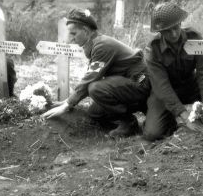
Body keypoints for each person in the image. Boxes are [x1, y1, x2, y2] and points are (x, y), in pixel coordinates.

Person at [42, 8, 151, 138]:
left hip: (140, 83)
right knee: (95, 113)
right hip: (126, 83)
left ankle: (129, 122)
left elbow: (91, 78)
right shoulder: (95, 43)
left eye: (73, 33)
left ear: (86, 31)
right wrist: (69, 101)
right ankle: (130, 115)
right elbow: (91, 75)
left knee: (95, 88)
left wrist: (67, 104)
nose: (71, 39)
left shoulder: (102, 46)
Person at [143, 1, 203, 141]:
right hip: (165, 93)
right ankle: (171, 121)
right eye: (168, 31)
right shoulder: (153, 50)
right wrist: (184, 116)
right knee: (152, 134)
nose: (174, 33)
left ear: (180, 23)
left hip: (189, 86)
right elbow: (162, 87)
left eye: (175, 27)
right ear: (160, 32)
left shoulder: (194, 37)